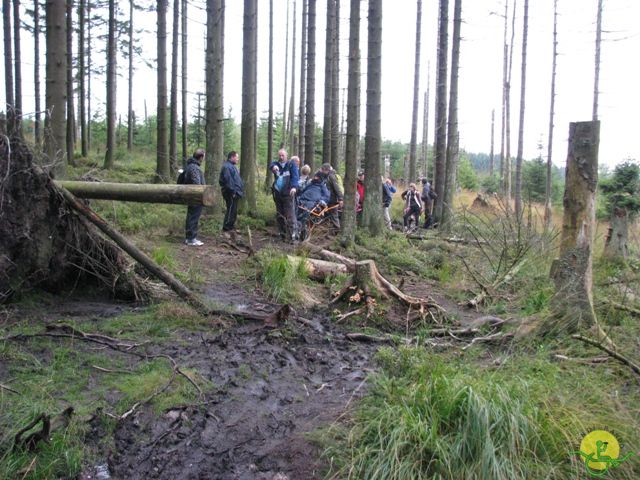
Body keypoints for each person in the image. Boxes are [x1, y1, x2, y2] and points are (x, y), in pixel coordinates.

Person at [269, 148, 300, 241]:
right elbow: (271, 165)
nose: (281, 157)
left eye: (283, 155)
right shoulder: (276, 164)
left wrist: (294, 187)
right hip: (278, 193)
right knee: (279, 213)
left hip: (288, 193)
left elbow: (295, 177)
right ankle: (281, 233)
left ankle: (293, 235)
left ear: (286, 155)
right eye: (280, 155)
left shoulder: (291, 164)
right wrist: (273, 167)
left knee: (290, 214)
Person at [218, 150, 244, 234]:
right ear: (232, 157)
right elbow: (228, 181)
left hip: (235, 192)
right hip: (230, 192)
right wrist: (233, 191)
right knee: (231, 209)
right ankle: (226, 227)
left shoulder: (231, 166)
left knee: (234, 210)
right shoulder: (227, 167)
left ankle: (231, 226)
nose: (238, 159)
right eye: (237, 157)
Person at [184, 148, 206, 246]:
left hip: (194, 195)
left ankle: (190, 238)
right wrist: (201, 191)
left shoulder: (191, 166)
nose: (204, 158)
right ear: (201, 157)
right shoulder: (194, 167)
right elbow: (196, 182)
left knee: (192, 216)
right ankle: (191, 238)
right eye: (203, 156)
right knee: (193, 217)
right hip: (195, 196)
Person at [318, 163, 344, 228]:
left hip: (332, 200)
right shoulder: (326, 176)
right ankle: (328, 231)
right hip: (326, 200)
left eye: (323, 170)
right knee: (326, 216)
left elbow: (337, 188)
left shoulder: (331, 176)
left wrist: (341, 199)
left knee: (334, 216)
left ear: (327, 170)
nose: (322, 171)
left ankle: (337, 231)